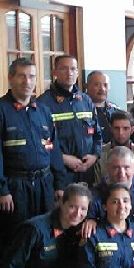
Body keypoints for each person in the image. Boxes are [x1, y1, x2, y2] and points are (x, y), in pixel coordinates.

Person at [0, 58, 67, 255]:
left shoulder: (43, 111)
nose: (27, 82)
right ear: (11, 78)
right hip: (14, 189)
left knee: (46, 239)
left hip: (44, 185)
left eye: (32, 77)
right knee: (15, 241)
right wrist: (1, 190)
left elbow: (53, 149)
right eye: (22, 76)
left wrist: (60, 185)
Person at [38, 54, 102, 185]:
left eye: (73, 69)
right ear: (54, 72)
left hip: (87, 171)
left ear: (78, 72)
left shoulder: (85, 100)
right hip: (60, 173)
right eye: (64, 69)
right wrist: (62, 158)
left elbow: (97, 134)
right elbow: (40, 141)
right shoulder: (43, 103)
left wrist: (94, 156)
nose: (69, 73)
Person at [94, 111, 134, 184]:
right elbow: (97, 185)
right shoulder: (100, 154)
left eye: (125, 128)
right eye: (117, 128)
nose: (121, 133)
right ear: (111, 129)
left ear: (132, 130)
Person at [85, 71, 118, 144]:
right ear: (86, 86)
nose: (102, 89)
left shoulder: (114, 110)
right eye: (97, 85)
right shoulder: (81, 109)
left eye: (105, 85)